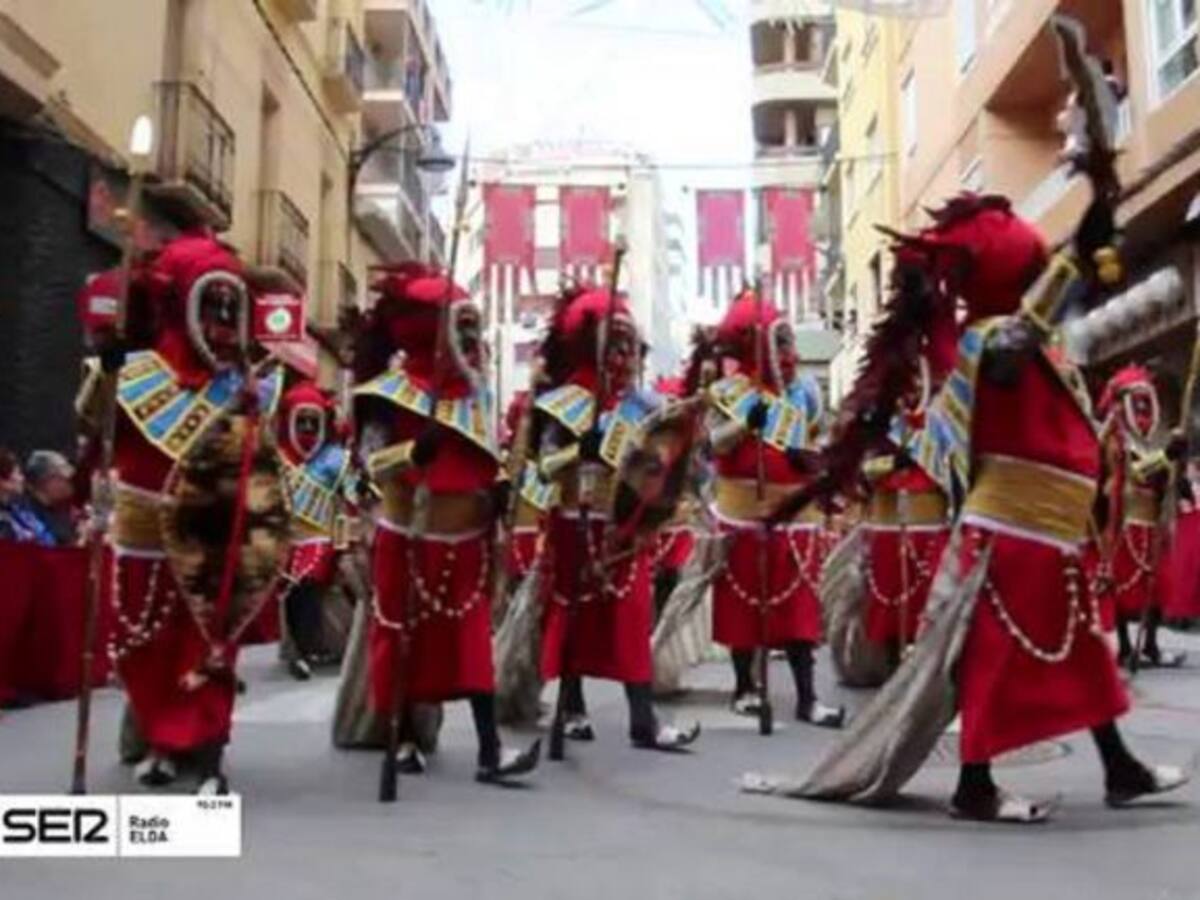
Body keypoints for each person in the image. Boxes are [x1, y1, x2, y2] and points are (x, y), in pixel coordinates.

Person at [777, 193, 1188, 823]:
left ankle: (1119, 767)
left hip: (1046, 531)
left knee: (1082, 656)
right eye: (1034, 265)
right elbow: (1024, 331)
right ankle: (975, 784)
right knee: (993, 660)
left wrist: (1164, 287)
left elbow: (1102, 327)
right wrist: (1076, 256)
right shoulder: (986, 343)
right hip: (1011, 530)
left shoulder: (1041, 341)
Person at [76, 234, 284, 795]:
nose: (222, 318)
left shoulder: (245, 385)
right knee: (146, 647)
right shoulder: (133, 371)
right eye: (212, 302)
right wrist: (110, 367)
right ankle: (163, 742)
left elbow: (259, 463)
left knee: (210, 647)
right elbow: (96, 435)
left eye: (231, 306)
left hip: (213, 531)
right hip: (142, 526)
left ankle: (210, 754)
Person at [351, 261, 540, 784]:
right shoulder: (386, 393)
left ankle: (489, 750)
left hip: (467, 544)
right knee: (404, 639)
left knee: (473, 645)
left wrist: (499, 484)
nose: (474, 339)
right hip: (409, 539)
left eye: (474, 328)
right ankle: (406, 736)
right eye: (462, 328)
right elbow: (370, 463)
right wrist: (413, 453)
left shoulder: (476, 396)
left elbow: (485, 459)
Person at [531, 282, 700, 752]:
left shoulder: (646, 406)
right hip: (573, 521)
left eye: (631, 345)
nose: (625, 356)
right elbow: (544, 468)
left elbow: (666, 461)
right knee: (572, 619)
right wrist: (576, 453)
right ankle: (572, 707)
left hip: (626, 527)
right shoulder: (561, 403)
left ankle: (642, 720)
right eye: (616, 344)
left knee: (631, 621)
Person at [703, 289, 843, 727]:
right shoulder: (727, 392)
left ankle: (807, 696)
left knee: (799, 607)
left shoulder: (804, 393)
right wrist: (747, 423)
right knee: (743, 606)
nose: (790, 352)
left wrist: (814, 458)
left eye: (789, 342)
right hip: (742, 513)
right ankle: (745, 686)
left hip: (795, 515)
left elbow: (817, 437)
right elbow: (710, 444)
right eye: (780, 342)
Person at [1096, 366, 1186, 668]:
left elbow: (1163, 475)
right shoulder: (1115, 438)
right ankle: (1124, 645)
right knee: (1123, 586)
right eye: (1138, 401)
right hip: (1126, 519)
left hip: (1151, 520)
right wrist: (1166, 456)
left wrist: (1174, 464)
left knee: (1157, 584)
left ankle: (1150, 645)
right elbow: (1133, 472)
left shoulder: (1150, 440)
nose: (1144, 408)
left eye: (1147, 401)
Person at [275, 381, 357, 680]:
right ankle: (297, 647)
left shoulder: (335, 459)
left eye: (314, 422)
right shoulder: (275, 457)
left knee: (307, 578)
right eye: (302, 421)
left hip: (321, 537)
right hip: (286, 539)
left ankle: (307, 647)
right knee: (288, 586)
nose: (308, 428)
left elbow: (353, 497)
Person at [21, 450, 79, 546]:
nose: (70, 484)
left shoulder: (60, 509)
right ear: (47, 481)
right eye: (63, 478)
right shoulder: (25, 517)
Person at [0, 449, 43, 543]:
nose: (22, 478)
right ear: (2, 482)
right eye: (18, 473)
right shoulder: (3, 524)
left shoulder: (18, 510)